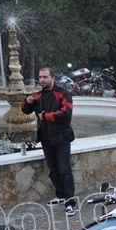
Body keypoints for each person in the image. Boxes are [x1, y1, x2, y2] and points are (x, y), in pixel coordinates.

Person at [22, 67, 77, 216]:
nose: (42, 80)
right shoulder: (38, 95)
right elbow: (25, 110)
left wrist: (46, 116)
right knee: (53, 170)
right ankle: (61, 196)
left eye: (45, 77)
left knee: (64, 170)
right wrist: (27, 101)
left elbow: (66, 114)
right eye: (40, 77)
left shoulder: (63, 93)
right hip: (46, 137)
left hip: (62, 137)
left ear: (53, 78)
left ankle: (70, 202)